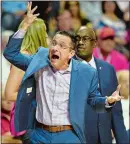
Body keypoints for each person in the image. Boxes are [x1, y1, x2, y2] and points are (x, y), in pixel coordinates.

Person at [3, 2, 124, 143]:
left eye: (62, 46)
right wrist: (24, 26)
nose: (55, 48)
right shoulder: (39, 61)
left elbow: (92, 100)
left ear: (71, 53)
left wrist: (107, 101)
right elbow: (10, 54)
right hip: (39, 135)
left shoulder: (86, 72)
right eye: (54, 43)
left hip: (68, 136)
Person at [75, 26, 129, 144]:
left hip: (104, 138)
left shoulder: (108, 69)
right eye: (77, 39)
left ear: (94, 43)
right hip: (78, 138)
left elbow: (116, 114)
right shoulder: (67, 67)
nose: (80, 42)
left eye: (85, 39)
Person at [4, 17, 48, 138]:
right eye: (44, 31)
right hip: (24, 119)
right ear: (37, 34)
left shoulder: (39, 57)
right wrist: (38, 96)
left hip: (37, 117)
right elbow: (9, 94)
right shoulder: (23, 59)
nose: (46, 35)